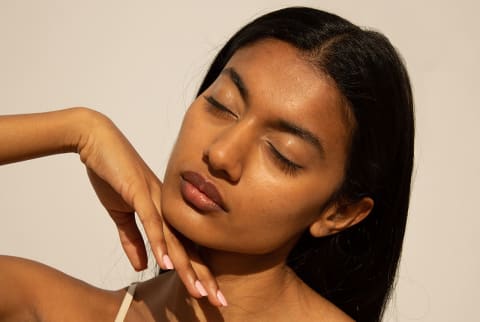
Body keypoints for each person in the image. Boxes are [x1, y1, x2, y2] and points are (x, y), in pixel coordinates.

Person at [0, 6, 414, 322]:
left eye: (281, 152)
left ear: (339, 212)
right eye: (221, 105)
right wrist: (81, 130)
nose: (221, 154)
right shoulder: (61, 309)